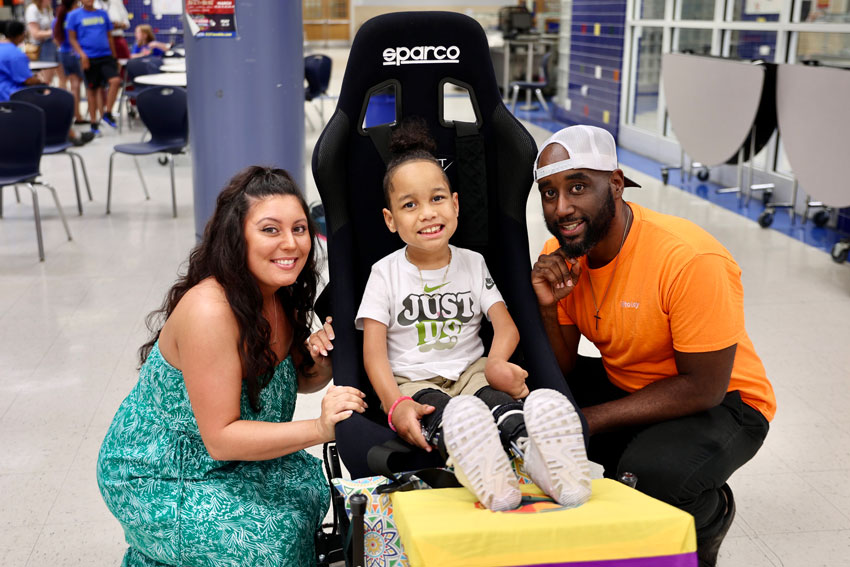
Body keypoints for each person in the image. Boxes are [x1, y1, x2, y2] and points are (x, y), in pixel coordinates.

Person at [530, 125, 776, 566]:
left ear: (617, 184)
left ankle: (710, 512)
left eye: (578, 187)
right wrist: (548, 308)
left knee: (649, 477)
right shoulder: (563, 253)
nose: (562, 207)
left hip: (726, 402)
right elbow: (562, 368)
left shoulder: (688, 258)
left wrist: (589, 421)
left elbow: (704, 388)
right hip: (630, 384)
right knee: (533, 398)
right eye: (549, 192)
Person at [97, 166, 367, 566]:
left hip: (229, 462)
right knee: (268, 544)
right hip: (164, 473)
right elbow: (220, 438)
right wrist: (319, 428)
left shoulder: (278, 293)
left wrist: (323, 359)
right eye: (270, 230)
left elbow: (292, 381)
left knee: (306, 491)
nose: (290, 243)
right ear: (236, 236)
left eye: (299, 229)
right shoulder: (210, 310)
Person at [350, 118, 590, 512]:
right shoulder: (385, 273)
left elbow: (505, 325)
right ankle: (491, 479)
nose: (427, 213)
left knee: (503, 407)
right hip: (415, 381)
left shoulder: (473, 264)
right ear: (390, 220)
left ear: (456, 204)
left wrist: (496, 362)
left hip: (472, 373)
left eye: (437, 199)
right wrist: (395, 404)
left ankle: (547, 465)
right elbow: (374, 353)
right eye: (410, 205)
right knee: (450, 416)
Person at [66, 0, 120, 131]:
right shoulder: (74, 16)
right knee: (92, 90)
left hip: (106, 56)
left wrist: (114, 56)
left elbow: (109, 36)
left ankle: (107, 112)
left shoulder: (103, 14)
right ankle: (93, 122)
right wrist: (82, 55)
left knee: (115, 81)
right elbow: (72, 39)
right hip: (89, 58)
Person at [54, 0, 87, 124]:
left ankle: (75, 114)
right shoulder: (77, 17)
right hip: (77, 54)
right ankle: (79, 115)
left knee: (71, 85)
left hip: (64, 53)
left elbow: (56, 38)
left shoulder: (59, 18)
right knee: (81, 86)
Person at [0, 20, 44, 101]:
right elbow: (28, 81)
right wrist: (40, 81)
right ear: (22, 34)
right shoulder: (16, 54)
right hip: (9, 96)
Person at [25, 0, 62, 86]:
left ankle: (60, 97)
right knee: (46, 80)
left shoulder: (47, 8)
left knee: (61, 77)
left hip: (52, 45)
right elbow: (35, 34)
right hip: (42, 47)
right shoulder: (32, 9)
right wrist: (55, 32)